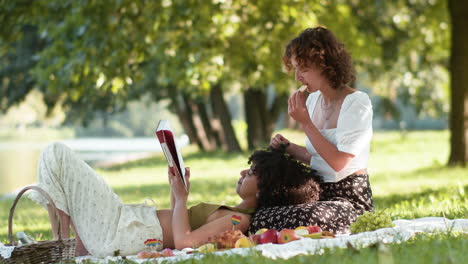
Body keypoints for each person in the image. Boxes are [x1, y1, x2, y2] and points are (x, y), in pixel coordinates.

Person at [27, 142, 320, 257]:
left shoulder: (238, 220)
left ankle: (59, 248)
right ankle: (62, 247)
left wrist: (181, 199)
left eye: (253, 172)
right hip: (130, 227)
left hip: (128, 233)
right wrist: (176, 188)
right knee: (60, 168)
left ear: (264, 189)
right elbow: (177, 226)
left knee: (55, 154)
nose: (244, 171)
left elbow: (185, 242)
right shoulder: (232, 213)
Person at [269, 26, 373, 233]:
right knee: (269, 210)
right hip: (318, 192)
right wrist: (288, 147)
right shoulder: (314, 99)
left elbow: (338, 162)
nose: (298, 77)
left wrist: (305, 123)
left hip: (350, 199)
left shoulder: (357, 103)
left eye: (304, 69)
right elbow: (318, 157)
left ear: (325, 65)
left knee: (308, 216)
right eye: (295, 68)